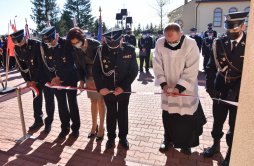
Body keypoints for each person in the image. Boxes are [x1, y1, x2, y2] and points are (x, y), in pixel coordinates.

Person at [153, 23, 206, 155]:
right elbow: (157, 64)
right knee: (168, 116)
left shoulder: (191, 44)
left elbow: (192, 68)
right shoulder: (159, 43)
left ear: (181, 34)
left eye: (175, 41)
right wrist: (164, 84)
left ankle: (186, 144)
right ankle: (168, 139)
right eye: (168, 41)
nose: (171, 44)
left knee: (186, 117)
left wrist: (179, 87)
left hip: (185, 89)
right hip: (167, 88)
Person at [204, 11, 249, 166]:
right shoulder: (219, 42)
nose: (230, 31)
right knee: (217, 120)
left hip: (240, 89)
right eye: (228, 27)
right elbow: (210, 68)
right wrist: (210, 88)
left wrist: (236, 92)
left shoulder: (250, 44)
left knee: (235, 124)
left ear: (243, 26)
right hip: (220, 86)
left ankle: (231, 152)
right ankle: (215, 146)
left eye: (234, 28)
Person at [93, 27, 138, 149]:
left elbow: (134, 71)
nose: (113, 45)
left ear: (121, 40)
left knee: (123, 114)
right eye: (110, 43)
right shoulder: (101, 50)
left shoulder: (129, 49)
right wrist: (100, 87)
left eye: (115, 43)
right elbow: (96, 71)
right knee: (111, 114)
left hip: (124, 90)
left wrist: (123, 87)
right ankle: (111, 137)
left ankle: (123, 137)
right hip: (108, 89)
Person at [39, 26, 80, 138]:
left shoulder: (66, 44)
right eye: (47, 41)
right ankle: (65, 127)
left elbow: (70, 63)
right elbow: (45, 65)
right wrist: (53, 79)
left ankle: (75, 127)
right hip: (55, 80)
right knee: (61, 104)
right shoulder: (43, 46)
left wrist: (59, 78)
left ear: (56, 36)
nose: (50, 44)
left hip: (70, 77)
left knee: (72, 103)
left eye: (51, 41)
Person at [10, 29, 55, 132]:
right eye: (16, 42)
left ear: (25, 38)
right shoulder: (17, 49)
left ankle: (48, 122)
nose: (19, 44)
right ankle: (38, 120)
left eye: (20, 41)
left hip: (45, 76)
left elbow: (41, 64)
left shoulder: (37, 45)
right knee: (36, 99)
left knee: (49, 100)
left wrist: (34, 80)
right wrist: (27, 80)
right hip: (33, 78)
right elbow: (22, 67)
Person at [66, 27, 106, 140]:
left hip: (100, 77)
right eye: (73, 43)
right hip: (88, 76)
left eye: (77, 42)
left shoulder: (95, 45)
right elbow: (78, 66)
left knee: (101, 101)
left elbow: (103, 65)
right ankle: (94, 126)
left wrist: (95, 81)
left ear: (82, 37)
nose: (76, 44)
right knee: (93, 101)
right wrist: (82, 81)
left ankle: (102, 128)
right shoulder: (75, 49)